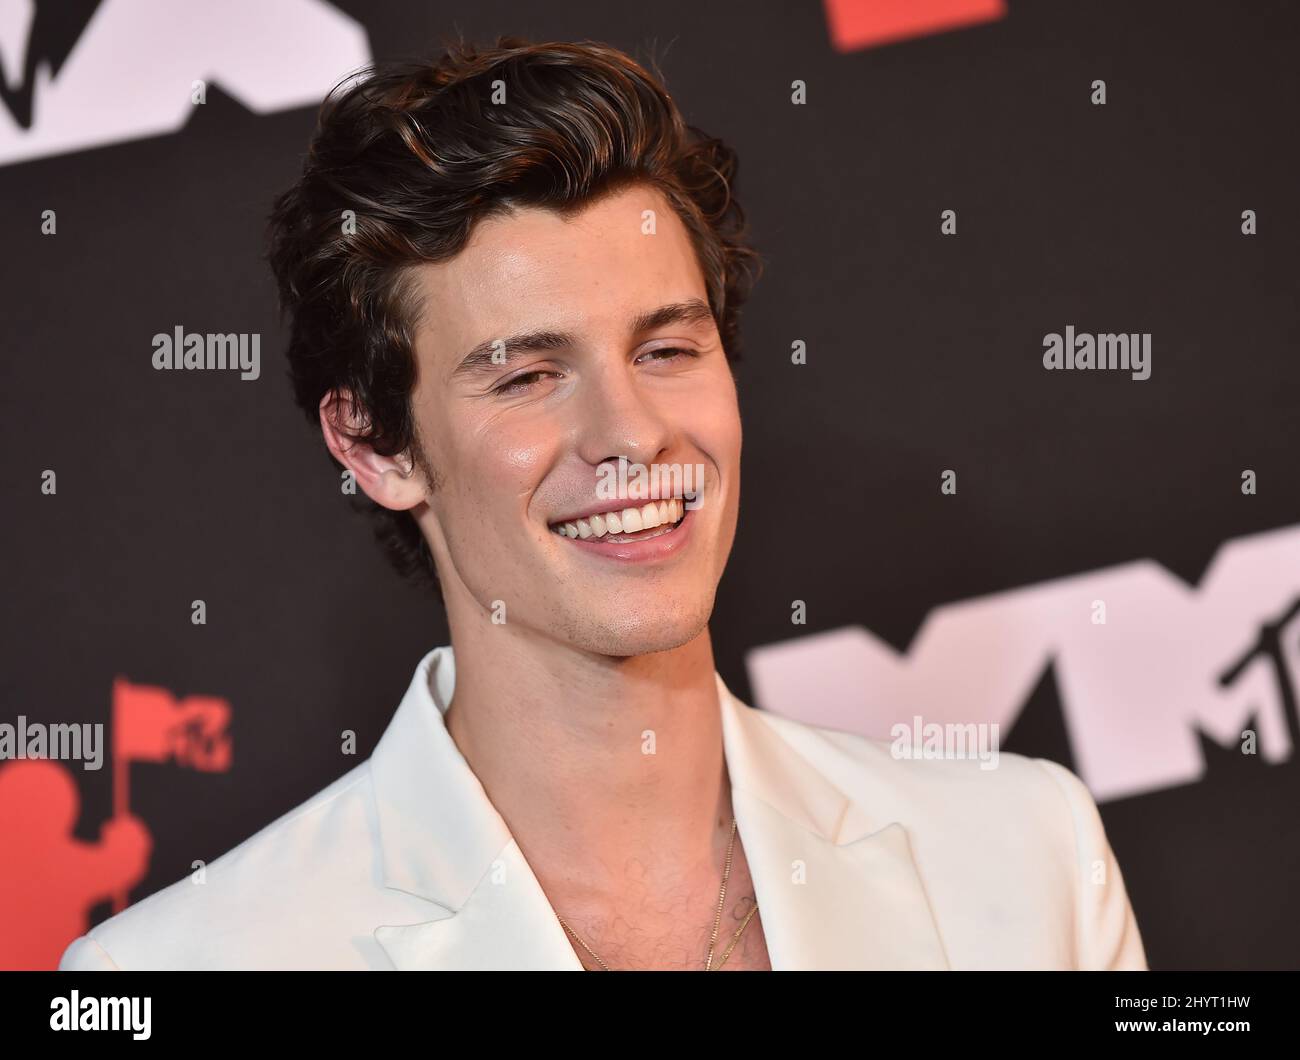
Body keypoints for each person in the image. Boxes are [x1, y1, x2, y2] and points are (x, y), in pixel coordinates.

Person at [58, 35, 1146, 971]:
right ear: (376, 445)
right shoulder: (177, 969)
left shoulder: (1025, 854)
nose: (630, 435)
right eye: (528, 375)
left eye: (667, 347)